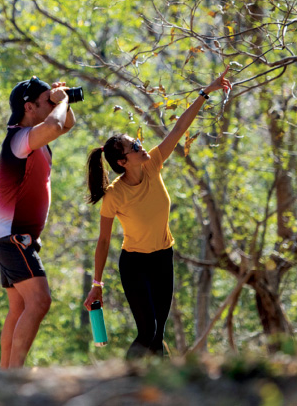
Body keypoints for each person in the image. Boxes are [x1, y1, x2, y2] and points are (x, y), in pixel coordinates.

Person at [82, 69, 231, 358]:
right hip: (135, 264)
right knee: (147, 331)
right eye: (135, 146)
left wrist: (205, 92)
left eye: (138, 143)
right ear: (124, 161)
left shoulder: (153, 165)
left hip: (163, 257)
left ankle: (155, 393)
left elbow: (178, 130)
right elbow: (102, 243)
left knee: (158, 335)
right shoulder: (114, 195)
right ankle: (124, 381)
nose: (141, 145)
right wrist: (96, 285)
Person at [0, 76, 76, 368]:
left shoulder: (36, 138)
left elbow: (65, 124)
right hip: (10, 234)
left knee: (20, 306)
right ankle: (14, 375)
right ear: (28, 106)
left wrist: (64, 100)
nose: (52, 107)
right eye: (45, 102)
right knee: (39, 301)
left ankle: (4, 374)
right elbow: (54, 124)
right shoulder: (19, 137)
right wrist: (60, 102)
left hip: (14, 235)